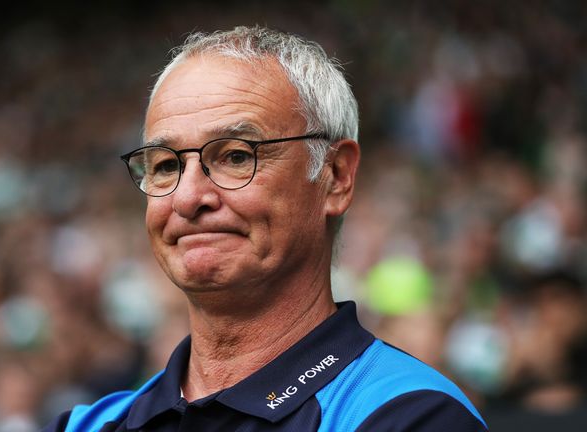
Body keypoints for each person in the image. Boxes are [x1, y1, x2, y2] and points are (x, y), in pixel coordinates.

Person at [44, 26, 487, 431]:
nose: (187, 197)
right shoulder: (87, 424)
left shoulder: (411, 416)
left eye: (236, 156)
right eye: (165, 165)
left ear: (335, 175)